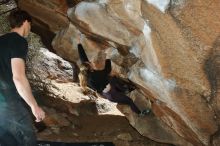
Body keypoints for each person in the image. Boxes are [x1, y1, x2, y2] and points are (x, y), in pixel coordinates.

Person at [0, 10, 45, 146]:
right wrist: (34, 106)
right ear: (26, 22)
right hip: (9, 101)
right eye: (30, 25)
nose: (29, 29)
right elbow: (18, 77)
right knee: (27, 139)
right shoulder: (18, 41)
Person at [77, 37, 150, 115]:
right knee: (129, 100)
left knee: (112, 78)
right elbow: (107, 69)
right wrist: (108, 57)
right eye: (90, 63)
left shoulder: (86, 72)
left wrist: (79, 44)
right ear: (89, 67)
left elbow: (83, 58)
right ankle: (139, 113)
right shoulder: (95, 75)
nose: (91, 62)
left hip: (107, 89)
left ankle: (125, 90)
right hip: (111, 94)